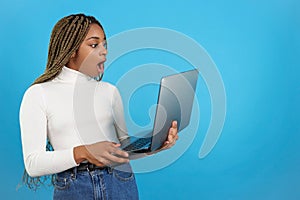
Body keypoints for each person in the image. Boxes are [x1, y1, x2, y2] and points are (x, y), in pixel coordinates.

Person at [19, 13, 178, 200]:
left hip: (121, 181)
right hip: (76, 187)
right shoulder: (39, 94)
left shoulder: (109, 91)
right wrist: (84, 152)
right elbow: (33, 163)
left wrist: (156, 145)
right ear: (71, 51)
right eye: (94, 45)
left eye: (104, 44)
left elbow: (123, 149)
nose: (104, 51)